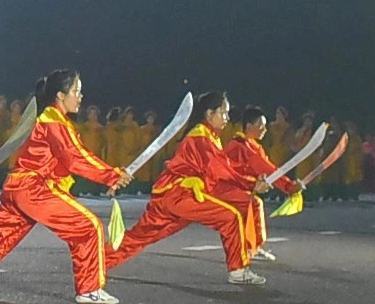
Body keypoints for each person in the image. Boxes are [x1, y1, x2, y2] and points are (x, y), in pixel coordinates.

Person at [0, 70, 129, 304]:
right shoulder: (53, 120)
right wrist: (111, 174)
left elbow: (73, 156)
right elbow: (75, 157)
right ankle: (89, 289)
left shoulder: (54, 119)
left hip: (20, 187)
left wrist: (112, 175)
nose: (81, 97)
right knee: (88, 227)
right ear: (61, 95)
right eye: (76, 91)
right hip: (34, 188)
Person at [105, 93, 262, 285]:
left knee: (140, 236)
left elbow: (223, 167)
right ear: (209, 113)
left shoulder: (208, 136)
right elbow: (220, 170)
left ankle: (97, 262)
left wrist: (250, 182)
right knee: (230, 217)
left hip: (170, 195)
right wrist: (251, 183)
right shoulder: (201, 138)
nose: (227, 118)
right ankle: (238, 270)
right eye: (224, 112)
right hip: (181, 194)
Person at [220, 105, 295, 265]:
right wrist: (288, 186)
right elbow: (267, 169)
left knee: (252, 205)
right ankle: (251, 248)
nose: (265, 129)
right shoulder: (241, 146)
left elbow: (266, 169)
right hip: (223, 188)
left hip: (237, 188)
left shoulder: (250, 145)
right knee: (254, 204)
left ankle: (249, 247)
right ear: (249, 126)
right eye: (261, 126)